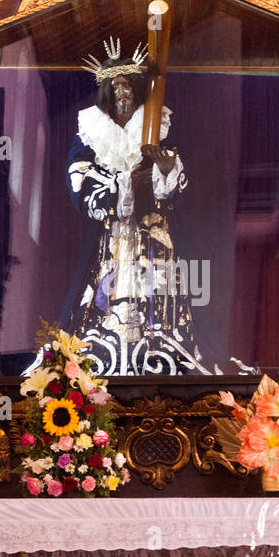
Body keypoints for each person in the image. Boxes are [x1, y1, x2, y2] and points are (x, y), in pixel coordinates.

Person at [57, 38, 204, 376]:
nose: (122, 93)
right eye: (115, 87)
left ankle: (159, 354)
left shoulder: (161, 123)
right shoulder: (89, 129)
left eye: (127, 86)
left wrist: (165, 172)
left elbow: (182, 175)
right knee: (105, 289)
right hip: (109, 234)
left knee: (158, 292)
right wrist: (122, 185)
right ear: (106, 92)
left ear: (138, 89)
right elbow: (77, 175)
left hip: (153, 232)